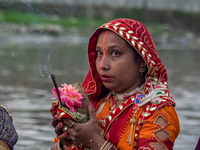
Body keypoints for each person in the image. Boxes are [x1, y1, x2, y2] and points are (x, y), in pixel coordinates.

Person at [50, 18, 180, 150]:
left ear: (141, 60)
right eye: (99, 53)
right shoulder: (94, 102)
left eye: (115, 53)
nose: (102, 65)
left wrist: (94, 141)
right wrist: (67, 143)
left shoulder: (158, 112)